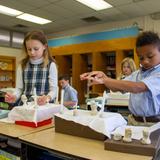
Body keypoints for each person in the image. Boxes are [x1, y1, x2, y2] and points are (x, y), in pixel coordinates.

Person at [80, 31, 160, 126]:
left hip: (153, 124)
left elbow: (138, 87)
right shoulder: (137, 74)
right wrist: (103, 76)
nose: (145, 61)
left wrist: (105, 80)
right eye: (141, 58)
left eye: (150, 56)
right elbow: (116, 86)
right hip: (133, 121)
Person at [5, 30, 58, 106]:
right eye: (29, 49)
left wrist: (47, 98)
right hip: (26, 105)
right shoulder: (22, 65)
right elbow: (19, 88)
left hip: (43, 106)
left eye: (36, 49)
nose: (32, 52)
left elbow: (53, 90)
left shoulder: (51, 65)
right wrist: (14, 96)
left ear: (44, 47)